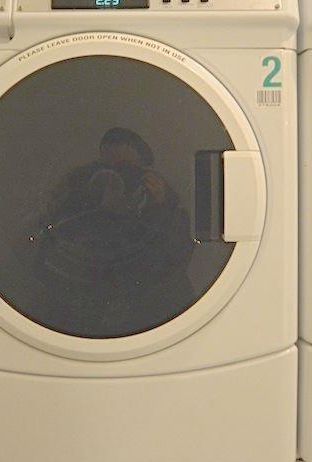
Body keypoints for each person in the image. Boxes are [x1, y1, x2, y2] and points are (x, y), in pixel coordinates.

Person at [27, 127, 195, 337]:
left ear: (145, 174)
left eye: (126, 170)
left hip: (152, 323)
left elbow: (174, 263)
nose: (113, 178)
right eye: (105, 169)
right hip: (77, 328)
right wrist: (72, 200)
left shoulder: (164, 212)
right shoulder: (77, 211)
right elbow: (44, 262)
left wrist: (161, 205)